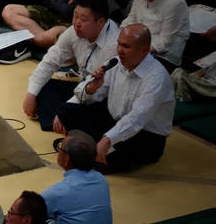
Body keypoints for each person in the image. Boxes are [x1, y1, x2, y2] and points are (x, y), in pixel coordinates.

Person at [53, 23, 173, 171]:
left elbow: (137, 119)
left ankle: (99, 152)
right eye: (119, 44)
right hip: (114, 121)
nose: (120, 50)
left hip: (145, 136)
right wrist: (92, 88)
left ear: (144, 51)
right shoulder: (115, 63)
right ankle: (97, 151)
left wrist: (107, 139)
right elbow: (81, 92)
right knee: (67, 110)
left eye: (126, 46)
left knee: (115, 149)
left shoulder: (157, 77)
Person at [41, 130, 112, 224]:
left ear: (67, 159)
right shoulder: (101, 180)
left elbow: (27, 213)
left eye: (60, 149)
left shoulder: (59, 192)